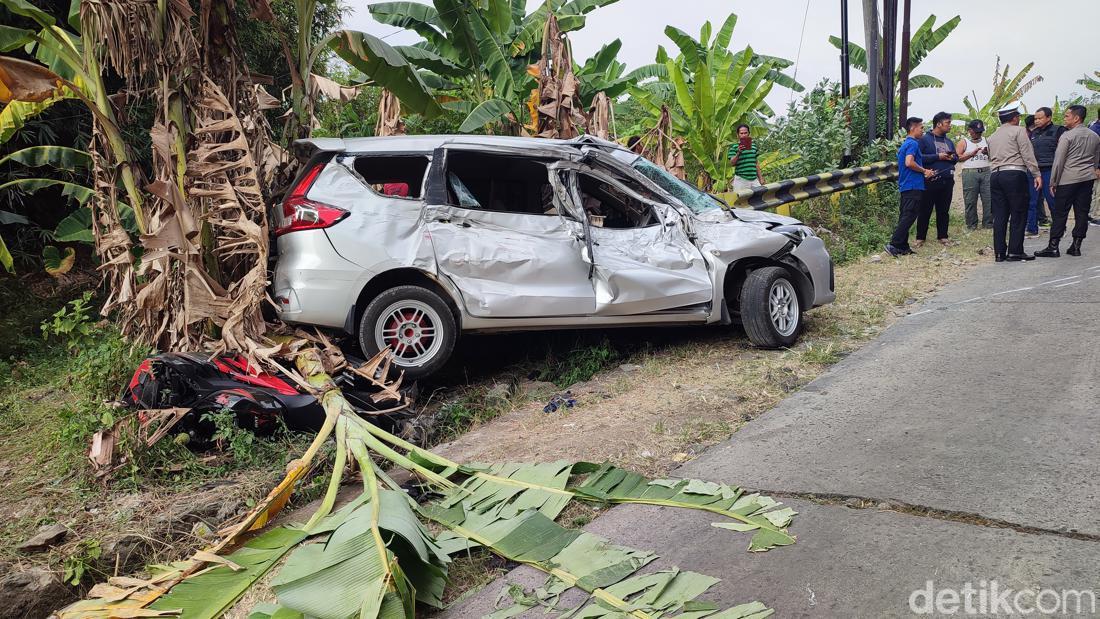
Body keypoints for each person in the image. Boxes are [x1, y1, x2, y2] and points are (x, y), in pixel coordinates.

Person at [1033, 105, 1100, 258]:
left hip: (1068, 179)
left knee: (1060, 212)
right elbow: (1096, 160)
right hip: (1087, 179)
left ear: (1076, 118)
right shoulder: (1094, 136)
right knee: (1082, 213)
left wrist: (1053, 181)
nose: (1064, 119)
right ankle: (1076, 245)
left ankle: (1053, 246)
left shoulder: (1067, 136)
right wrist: (1091, 171)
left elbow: (1059, 160)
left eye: (1067, 116)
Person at [987, 104, 1040, 262]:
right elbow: (1027, 153)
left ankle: (999, 253)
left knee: (1000, 215)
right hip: (1014, 174)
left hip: (995, 175)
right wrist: (1036, 173)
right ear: (1014, 118)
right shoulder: (1019, 131)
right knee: (1018, 212)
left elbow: (991, 156)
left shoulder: (992, 136)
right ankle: (1015, 251)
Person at [885, 117, 936, 257]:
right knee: (909, 215)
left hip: (906, 185)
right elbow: (909, 162)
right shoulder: (913, 144)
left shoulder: (906, 144)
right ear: (913, 128)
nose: (923, 131)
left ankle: (903, 246)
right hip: (913, 186)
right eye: (921, 128)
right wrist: (924, 171)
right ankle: (894, 244)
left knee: (905, 215)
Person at [916, 111, 958, 246]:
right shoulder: (924, 139)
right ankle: (920, 237)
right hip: (930, 180)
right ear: (939, 124)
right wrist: (937, 156)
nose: (950, 126)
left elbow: (956, 158)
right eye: (948, 123)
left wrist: (952, 157)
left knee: (944, 210)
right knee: (925, 210)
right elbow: (918, 158)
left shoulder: (949, 141)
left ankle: (943, 236)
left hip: (947, 181)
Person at [1027, 106, 1063, 233]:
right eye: (1035, 118)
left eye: (1039, 118)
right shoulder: (1034, 133)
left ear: (1049, 117)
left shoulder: (1059, 130)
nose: (1036, 121)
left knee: (1052, 201)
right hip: (1034, 171)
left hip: (1050, 171)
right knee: (1031, 201)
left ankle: (1059, 229)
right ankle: (1032, 229)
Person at [956, 119, 992, 229]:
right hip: (970, 172)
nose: (978, 134)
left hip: (986, 171)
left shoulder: (987, 140)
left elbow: (994, 156)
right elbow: (958, 157)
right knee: (970, 199)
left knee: (989, 199)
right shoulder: (964, 142)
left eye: (980, 131)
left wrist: (988, 152)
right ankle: (971, 224)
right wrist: (971, 154)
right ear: (969, 130)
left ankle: (988, 223)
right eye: (976, 131)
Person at [728, 124, 764, 191]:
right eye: (741, 133)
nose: (744, 135)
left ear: (749, 134)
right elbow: (732, 163)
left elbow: (756, 163)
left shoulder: (753, 146)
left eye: (745, 133)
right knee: (740, 200)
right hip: (741, 179)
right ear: (738, 135)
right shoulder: (734, 147)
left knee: (759, 197)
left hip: (754, 179)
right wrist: (738, 153)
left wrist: (761, 178)